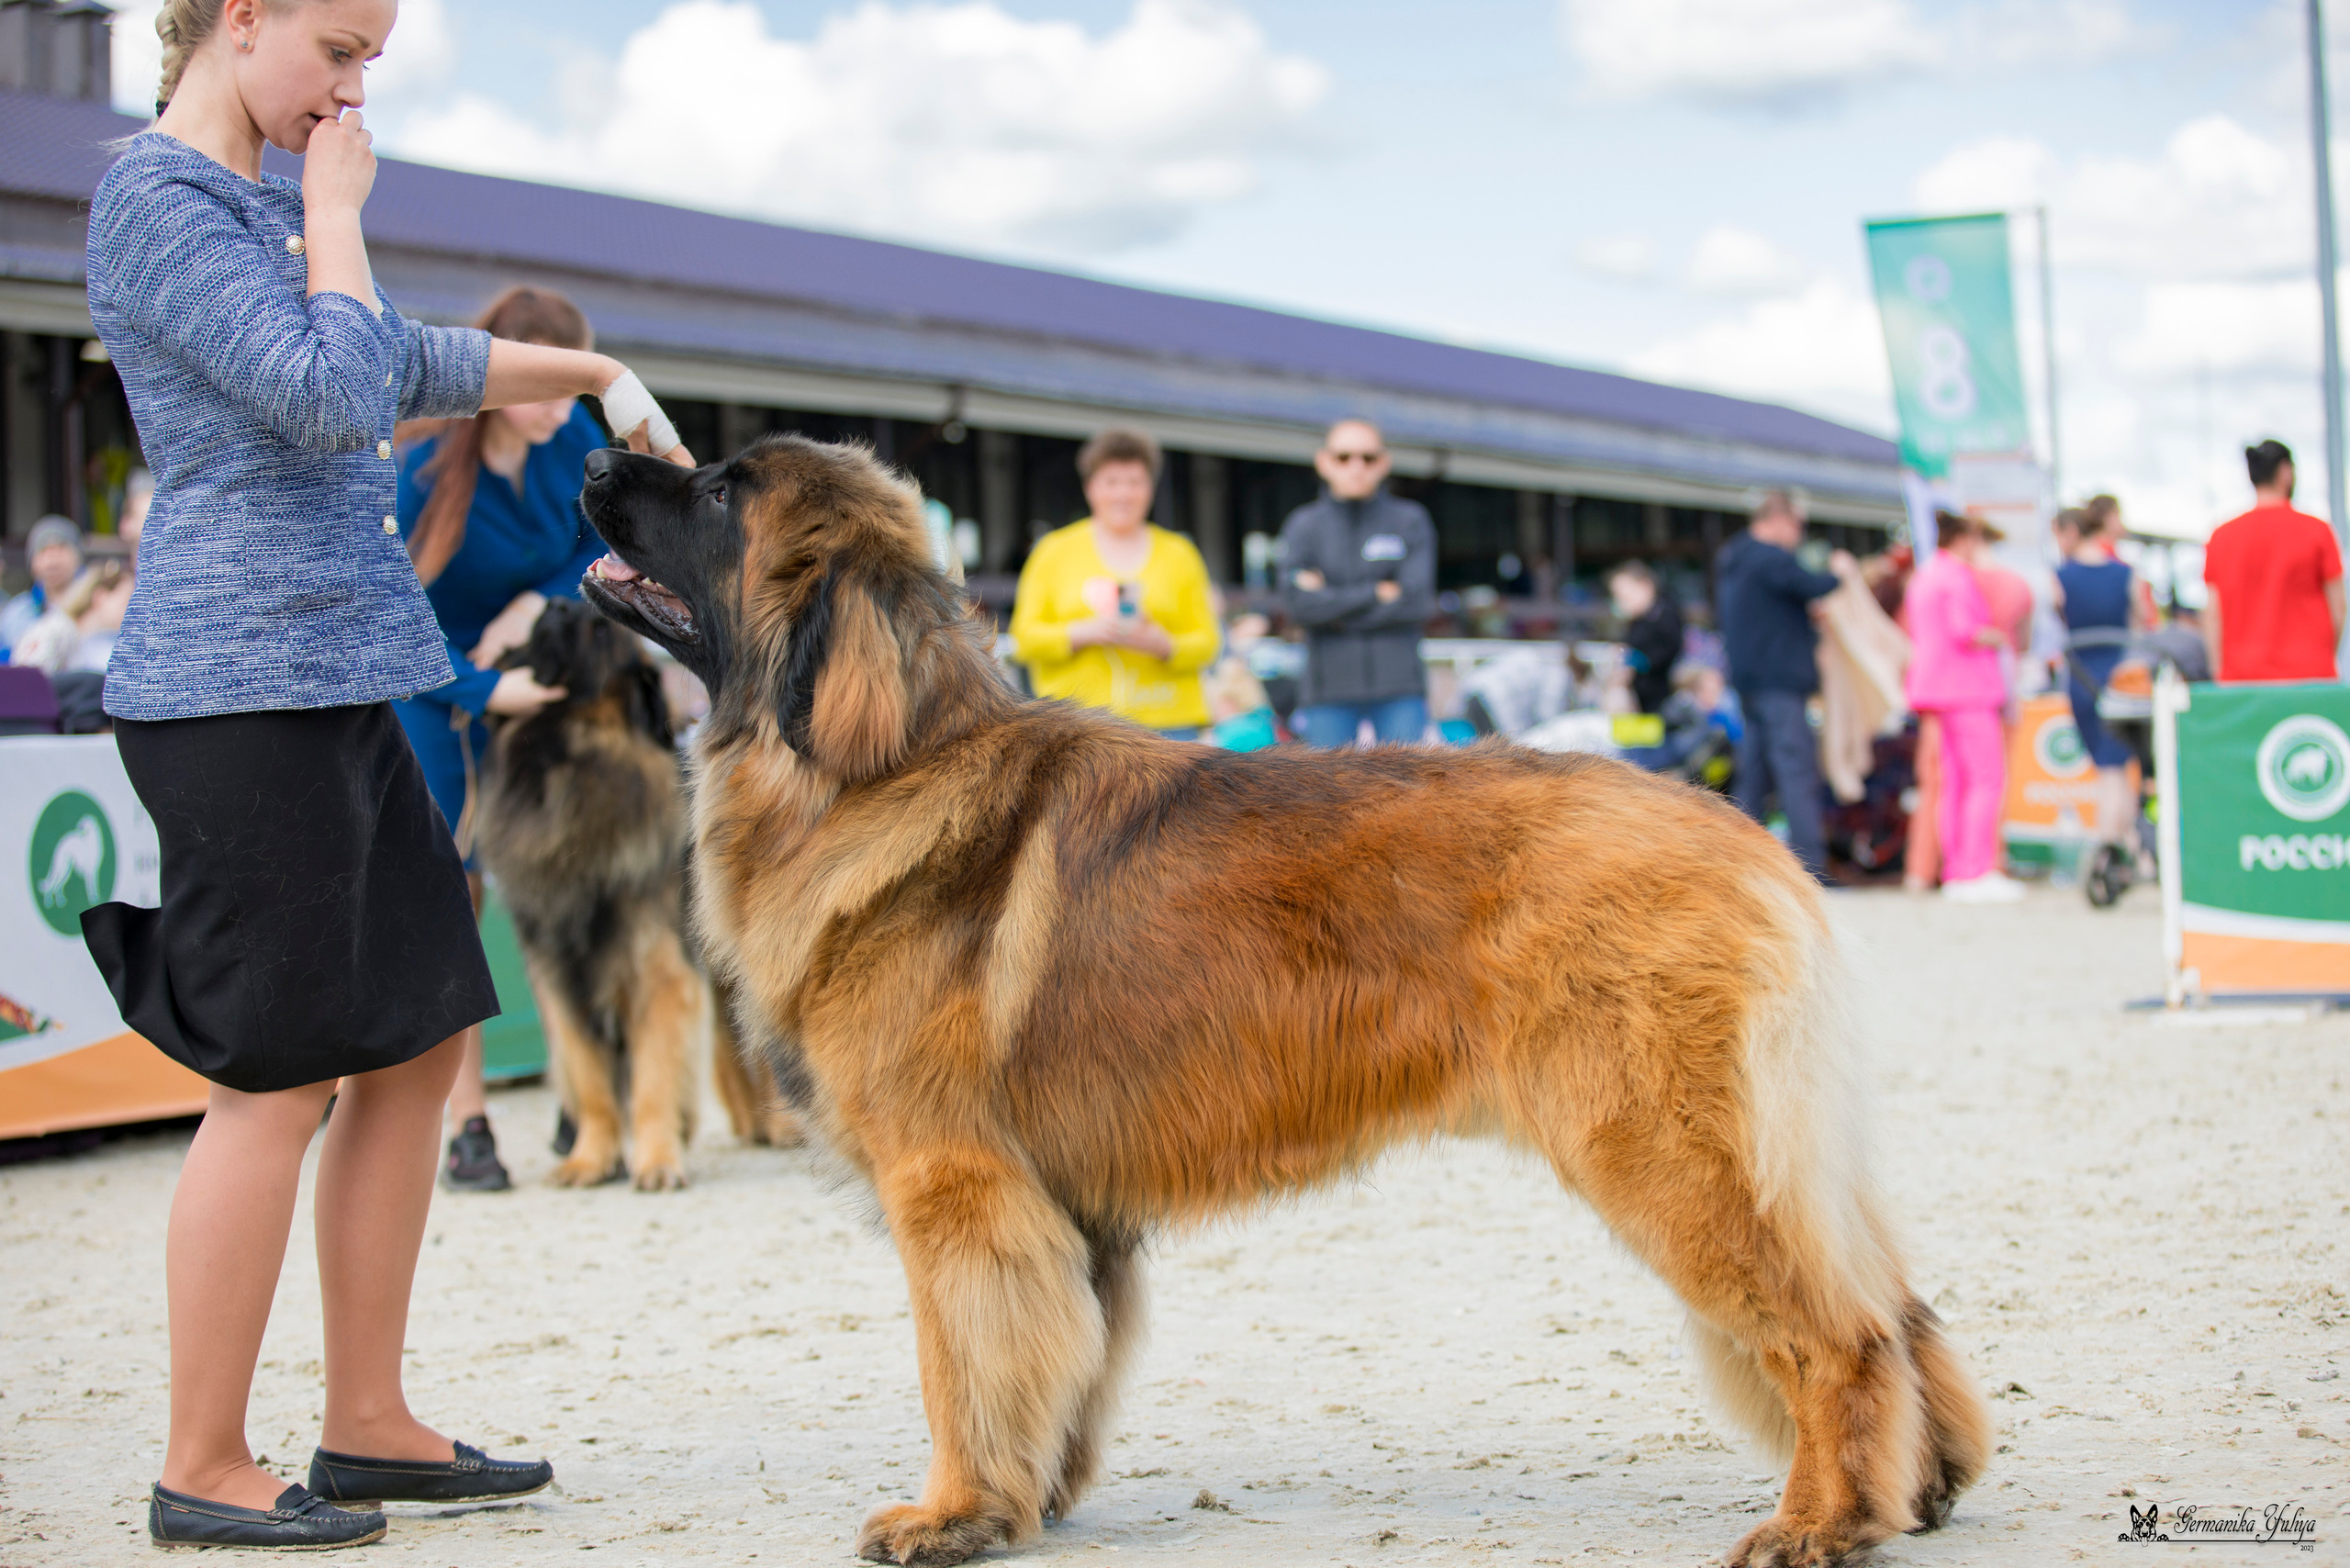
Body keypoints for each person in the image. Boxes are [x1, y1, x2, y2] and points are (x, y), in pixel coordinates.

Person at [74, 0, 692, 1550]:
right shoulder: (156, 200)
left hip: (348, 675)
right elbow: (337, 394)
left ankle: (369, 1422)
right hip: (237, 694)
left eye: (373, 61)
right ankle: (202, 1461)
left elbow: (404, 354)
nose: (356, 90)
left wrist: (599, 369)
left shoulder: (269, 202)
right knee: (274, 1080)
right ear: (239, 19)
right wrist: (341, 217)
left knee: (418, 1046)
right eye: (340, 51)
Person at [394, 286, 605, 1193]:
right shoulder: (422, 466)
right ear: (490, 372)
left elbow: (599, 542)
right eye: (537, 382)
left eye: (569, 384)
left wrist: (538, 603)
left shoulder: (576, 448)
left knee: (555, 891)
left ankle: (581, 1095)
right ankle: (467, 1122)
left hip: (539, 676)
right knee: (457, 900)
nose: (556, 404)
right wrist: (486, 688)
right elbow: (389, 616)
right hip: (431, 693)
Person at [1010, 427, 1217, 737]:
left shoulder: (1180, 554)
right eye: (1111, 482)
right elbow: (1024, 639)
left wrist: (1164, 645)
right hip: (1077, 728)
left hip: (1169, 727)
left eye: (1135, 482)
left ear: (1150, 488)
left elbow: (1208, 642)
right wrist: (1082, 633)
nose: (1123, 494)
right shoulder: (1053, 551)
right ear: (1090, 488)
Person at [1712, 489, 1853, 882]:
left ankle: (1738, 869)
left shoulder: (1734, 559)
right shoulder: (1769, 559)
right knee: (1796, 773)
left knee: (1753, 777)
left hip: (1749, 684)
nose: (1799, 535)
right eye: (1798, 526)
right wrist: (1841, 572)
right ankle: (1812, 870)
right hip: (1779, 685)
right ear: (1779, 519)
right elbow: (1815, 584)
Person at [1278, 419, 1437, 746]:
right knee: (1327, 797)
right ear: (1324, 462)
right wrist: (1377, 593)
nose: (1356, 467)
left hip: (1400, 687)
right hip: (1327, 691)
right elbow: (1299, 606)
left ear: (1384, 464)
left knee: (1410, 793)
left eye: (1368, 458)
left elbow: (1416, 603)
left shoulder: (1410, 521)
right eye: (1343, 457)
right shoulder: (1303, 526)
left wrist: (1331, 606)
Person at [1906, 512, 2024, 902]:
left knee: (1953, 783)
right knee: (1986, 779)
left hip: (1936, 690)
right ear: (1965, 539)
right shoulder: (1956, 576)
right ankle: (1977, 870)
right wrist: (1994, 636)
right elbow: (1965, 630)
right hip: (1968, 689)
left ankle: (1957, 871)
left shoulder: (1925, 575)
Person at [2203, 439, 2344, 682]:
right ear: (2285, 472)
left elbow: (2213, 615)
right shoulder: (2317, 530)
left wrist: (2219, 673)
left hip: (2242, 680)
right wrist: (2323, 657)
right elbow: (2339, 607)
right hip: (2309, 677)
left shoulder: (2222, 536)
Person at [2056, 499, 2154, 851]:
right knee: (2118, 766)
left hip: (2080, 676)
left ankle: (2117, 844)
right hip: (2121, 677)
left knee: (2105, 767)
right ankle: (2114, 845)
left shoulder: (2061, 577)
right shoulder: (2125, 574)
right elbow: (2143, 624)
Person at [8, 558, 134, 675]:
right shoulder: (57, 629)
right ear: (100, 597)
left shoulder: (90, 640)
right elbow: (25, 681)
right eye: (127, 600)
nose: (133, 610)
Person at [1608, 559, 1683, 715]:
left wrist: (1636, 662)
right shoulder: (1637, 620)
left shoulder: (1665, 615)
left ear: (1645, 586)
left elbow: (1668, 655)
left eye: (1625, 596)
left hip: (1663, 705)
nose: (1621, 603)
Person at [1, 515, 83, 655]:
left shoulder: (98, 607)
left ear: (78, 556)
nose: (52, 562)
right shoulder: (16, 614)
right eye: (44, 551)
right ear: (31, 563)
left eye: (61, 549)